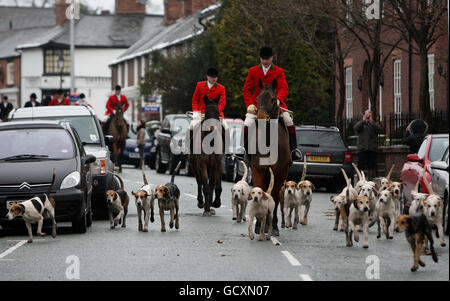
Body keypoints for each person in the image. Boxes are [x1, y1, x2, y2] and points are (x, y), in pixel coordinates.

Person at [241, 46, 302, 160]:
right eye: (263, 59)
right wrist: (249, 104)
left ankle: (294, 149)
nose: (265, 61)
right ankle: (243, 149)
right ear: (260, 58)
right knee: (248, 122)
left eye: (267, 59)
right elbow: (246, 90)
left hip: (275, 104)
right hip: (258, 106)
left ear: (272, 58)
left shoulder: (279, 71)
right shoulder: (253, 71)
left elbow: (284, 88)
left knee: (288, 120)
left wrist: (278, 99)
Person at [190, 67, 228, 152]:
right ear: (207, 77)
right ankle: (188, 150)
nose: (214, 79)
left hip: (216, 114)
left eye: (215, 77)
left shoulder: (221, 88)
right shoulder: (199, 85)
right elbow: (195, 100)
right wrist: (195, 112)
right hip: (201, 114)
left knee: (226, 128)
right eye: (212, 77)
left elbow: (222, 103)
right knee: (191, 127)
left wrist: (216, 112)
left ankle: (227, 152)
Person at [354, 110, 383, 179]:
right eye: (366, 115)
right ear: (364, 116)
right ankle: (360, 180)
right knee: (361, 165)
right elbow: (356, 128)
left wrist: (372, 122)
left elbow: (380, 130)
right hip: (362, 148)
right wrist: (363, 121)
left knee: (371, 165)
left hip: (372, 148)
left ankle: (370, 180)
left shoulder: (374, 124)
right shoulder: (361, 124)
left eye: (369, 116)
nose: (368, 117)